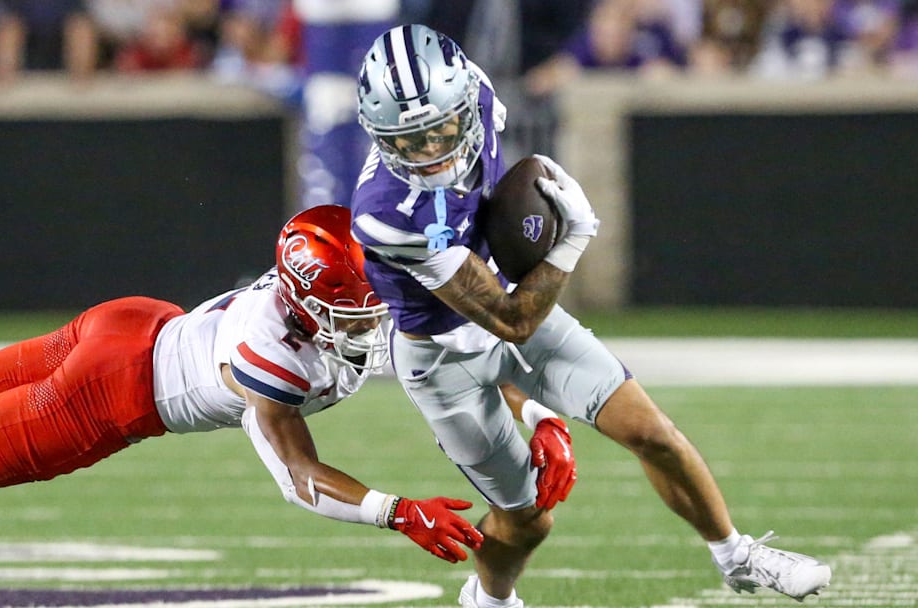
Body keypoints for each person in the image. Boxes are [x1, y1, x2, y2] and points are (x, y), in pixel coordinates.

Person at [350, 24, 832, 607]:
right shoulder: (388, 216)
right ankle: (490, 599)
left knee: (652, 432)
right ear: (380, 136)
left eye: (441, 131)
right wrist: (571, 237)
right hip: (442, 357)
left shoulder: (475, 89)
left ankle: (737, 556)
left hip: (500, 299)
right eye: (409, 142)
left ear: (464, 105)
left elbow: (502, 232)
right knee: (527, 520)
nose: (429, 153)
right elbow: (510, 324)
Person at [0, 205, 493, 564]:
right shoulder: (269, 357)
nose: (373, 317)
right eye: (355, 310)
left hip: (128, 325)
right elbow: (297, 476)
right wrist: (396, 510)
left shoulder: (319, 289)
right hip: (109, 392)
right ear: (307, 305)